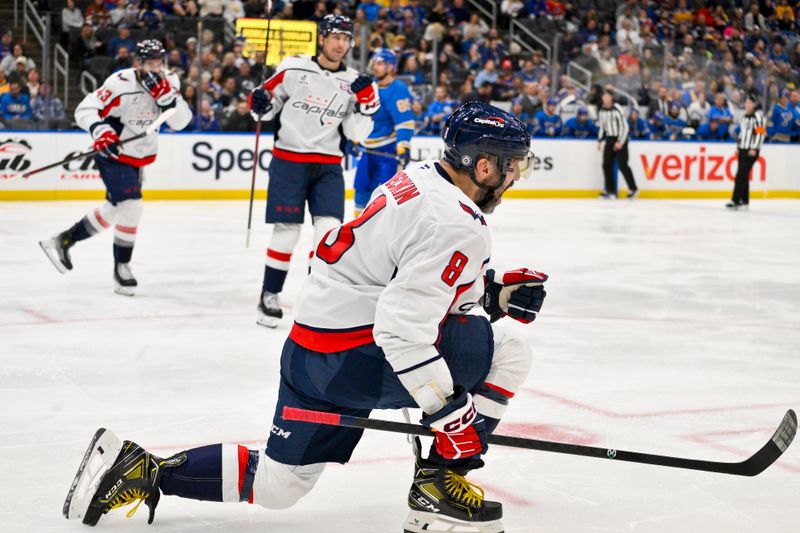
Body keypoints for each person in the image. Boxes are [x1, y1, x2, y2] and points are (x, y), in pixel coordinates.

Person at [63, 101, 546, 533]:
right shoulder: (458, 223)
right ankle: (440, 481)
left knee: (280, 485)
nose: (516, 177)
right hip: (355, 357)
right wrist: (451, 417)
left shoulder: (420, 176)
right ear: (484, 166)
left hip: (310, 350)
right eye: (513, 166)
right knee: (508, 350)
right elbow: (402, 328)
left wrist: (492, 294)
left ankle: (143, 468)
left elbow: (398, 275)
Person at [247, 15, 379, 328]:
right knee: (287, 231)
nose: (341, 44)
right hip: (289, 160)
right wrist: (258, 103)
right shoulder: (292, 68)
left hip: (328, 165)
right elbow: (262, 109)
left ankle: (314, 297)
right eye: (335, 37)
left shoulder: (355, 82)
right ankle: (269, 293)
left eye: (346, 39)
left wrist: (366, 106)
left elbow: (357, 133)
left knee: (328, 233)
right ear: (322, 38)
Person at [38, 40, 192, 295]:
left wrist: (167, 99)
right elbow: (85, 108)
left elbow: (181, 123)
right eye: (149, 63)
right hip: (113, 153)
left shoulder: (171, 82)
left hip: (138, 158)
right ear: (137, 64)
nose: (155, 68)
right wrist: (101, 130)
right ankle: (122, 268)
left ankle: (62, 241)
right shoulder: (120, 84)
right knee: (132, 206)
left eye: (159, 62)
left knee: (114, 209)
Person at [353, 48, 415, 217]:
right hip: (367, 150)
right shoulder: (370, 86)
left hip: (388, 151)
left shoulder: (398, 89)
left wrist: (403, 147)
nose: (375, 67)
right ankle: (357, 230)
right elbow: (361, 116)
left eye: (380, 64)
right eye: (375, 63)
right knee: (361, 189)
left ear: (391, 67)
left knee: (386, 195)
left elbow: (404, 122)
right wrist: (354, 139)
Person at [728, 94, 766, 210]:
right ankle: (744, 201)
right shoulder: (744, 117)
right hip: (743, 149)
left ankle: (735, 201)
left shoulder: (758, 117)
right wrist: (738, 147)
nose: (747, 104)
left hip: (751, 151)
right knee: (743, 176)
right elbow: (742, 134)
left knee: (740, 175)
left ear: (754, 105)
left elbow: (760, 134)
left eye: (749, 103)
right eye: (746, 102)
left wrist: (755, 148)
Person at [597, 92, 638, 199]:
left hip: (621, 138)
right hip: (610, 139)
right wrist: (600, 140)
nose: (605, 98)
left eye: (607, 96)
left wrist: (620, 141)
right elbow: (602, 127)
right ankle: (610, 190)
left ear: (611, 98)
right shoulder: (602, 111)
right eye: (604, 96)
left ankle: (633, 189)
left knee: (622, 164)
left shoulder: (617, 108)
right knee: (606, 164)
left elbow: (625, 126)